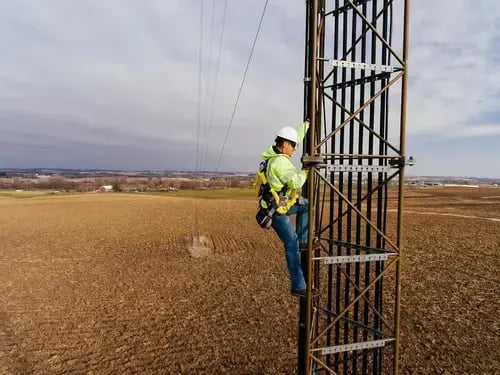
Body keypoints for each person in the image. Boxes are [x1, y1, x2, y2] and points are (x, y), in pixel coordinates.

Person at [260, 121, 310, 297]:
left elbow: (295, 136)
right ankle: (298, 285)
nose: (295, 149)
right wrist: (306, 170)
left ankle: (304, 239)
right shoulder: (281, 163)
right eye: (293, 146)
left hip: (278, 204)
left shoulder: (272, 154)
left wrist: (307, 124)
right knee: (291, 245)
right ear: (285, 145)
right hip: (277, 212)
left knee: (306, 206)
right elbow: (296, 182)